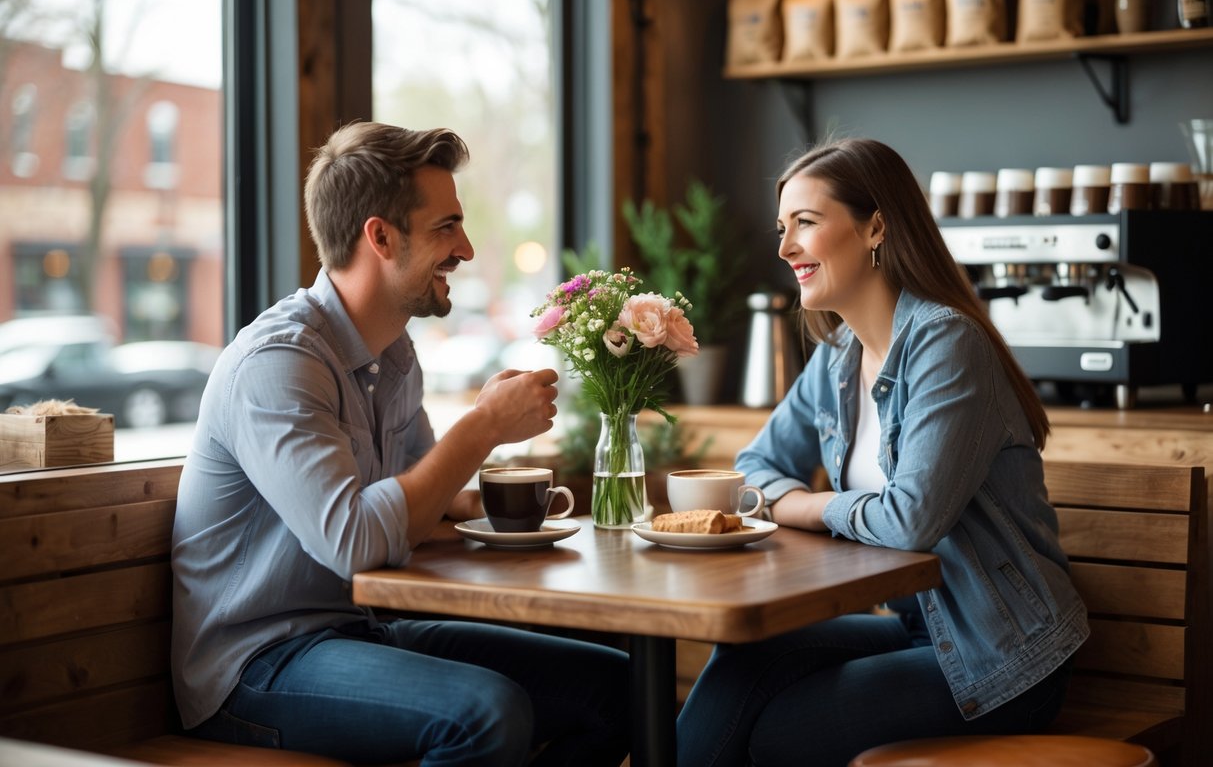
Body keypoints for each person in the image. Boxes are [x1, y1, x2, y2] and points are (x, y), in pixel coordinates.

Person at [171, 121, 630, 766]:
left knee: (618, 686)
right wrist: (484, 427)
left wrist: (479, 504)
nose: (466, 249)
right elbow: (355, 541)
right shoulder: (279, 363)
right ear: (380, 237)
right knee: (486, 715)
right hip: (256, 662)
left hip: (363, 627)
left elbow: (420, 497)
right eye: (447, 227)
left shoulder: (395, 354)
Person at [675, 139, 1089, 767]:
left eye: (806, 224)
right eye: (782, 228)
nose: (784, 248)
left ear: (876, 226)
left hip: (1004, 654)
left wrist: (809, 507)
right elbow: (755, 465)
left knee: (778, 735)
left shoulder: (946, 343)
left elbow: (910, 521)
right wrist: (799, 501)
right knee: (745, 659)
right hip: (920, 626)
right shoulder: (839, 355)